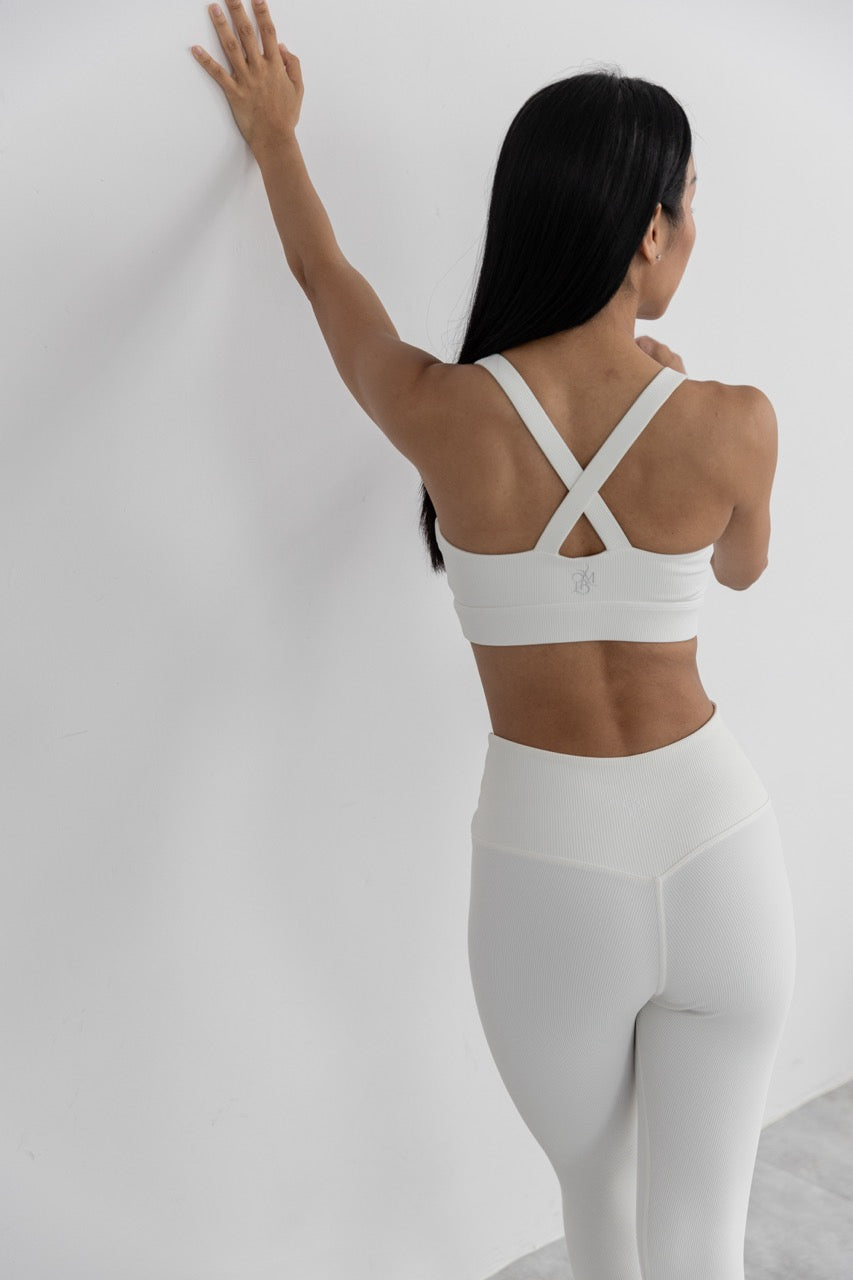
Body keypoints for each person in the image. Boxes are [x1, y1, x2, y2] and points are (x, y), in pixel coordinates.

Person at [192, 13, 796, 1277]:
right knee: (702, 1241)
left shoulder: (441, 412)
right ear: (646, 231)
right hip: (716, 844)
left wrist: (278, 144)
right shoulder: (734, 422)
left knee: (598, 1211)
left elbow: (326, 281)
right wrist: (673, 416)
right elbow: (742, 567)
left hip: (548, 864)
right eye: (688, 204)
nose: (693, 229)